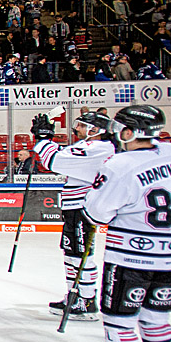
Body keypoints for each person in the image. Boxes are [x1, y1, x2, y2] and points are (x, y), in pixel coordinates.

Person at [83, 105, 171, 342]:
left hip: (132, 255)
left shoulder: (119, 164)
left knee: (119, 317)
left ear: (129, 132)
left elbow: (96, 213)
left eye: (120, 129)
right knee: (156, 316)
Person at [32, 111, 116, 321]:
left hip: (83, 208)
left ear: (95, 130)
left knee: (80, 256)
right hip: (75, 207)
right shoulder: (92, 147)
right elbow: (64, 155)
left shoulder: (97, 148)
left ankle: (86, 301)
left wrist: (43, 140)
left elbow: (55, 161)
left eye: (80, 125)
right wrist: (45, 140)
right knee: (72, 254)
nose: (76, 128)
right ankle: (75, 295)